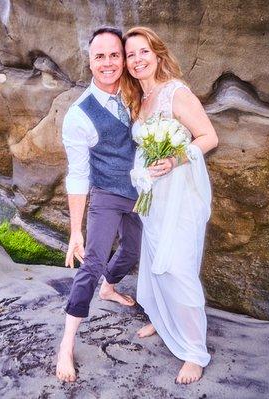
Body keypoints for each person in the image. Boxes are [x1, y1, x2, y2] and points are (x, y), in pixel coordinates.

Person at [121, 26, 219, 384]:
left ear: (157, 54)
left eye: (143, 52)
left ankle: (194, 352)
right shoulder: (139, 100)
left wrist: (176, 160)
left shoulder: (176, 92)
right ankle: (163, 320)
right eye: (131, 55)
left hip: (182, 194)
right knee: (155, 261)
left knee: (178, 267)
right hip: (154, 198)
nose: (137, 60)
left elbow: (209, 136)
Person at [56, 27, 143, 383]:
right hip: (106, 197)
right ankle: (66, 342)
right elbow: (77, 176)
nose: (108, 63)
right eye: (99, 56)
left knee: (134, 251)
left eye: (114, 55)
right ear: (89, 62)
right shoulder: (78, 115)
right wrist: (75, 230)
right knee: (91, 263)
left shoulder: (137, 91)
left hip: (141, 194)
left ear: (123, 59)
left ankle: (110, 286)